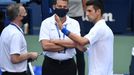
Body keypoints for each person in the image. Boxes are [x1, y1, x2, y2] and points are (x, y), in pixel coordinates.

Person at [56, 0, 114, 75]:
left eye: (90, 11)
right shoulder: (103, 28)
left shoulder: (99, 28)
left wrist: (63, 29)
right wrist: (84, 48)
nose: (86, 14)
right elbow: (98, 51)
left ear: (98, 11)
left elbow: (82, 41)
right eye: (86, 11)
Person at [39, 0, 82, 75]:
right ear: (54, 7)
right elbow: (45, 46)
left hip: (69, 66)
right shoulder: (46, 23)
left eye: (64, 7)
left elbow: (76, 43)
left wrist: (55, 41)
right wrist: (67, 45)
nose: (62, 8)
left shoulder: (74, 23)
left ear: (68, 8)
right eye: (59, 6)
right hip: (50, 65)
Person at [0, 3, 38, 75]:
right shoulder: (16, 34)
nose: (27, 14)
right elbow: (15, 59)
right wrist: (30, 55)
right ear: (19, 16)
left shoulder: (6, 30)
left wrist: (27, 58)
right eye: (25, 12)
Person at [67, 0, 86, 75]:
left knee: (80, 52)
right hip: (65, 19)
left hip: (78, 20)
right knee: (65, 48)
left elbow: (84, 4)